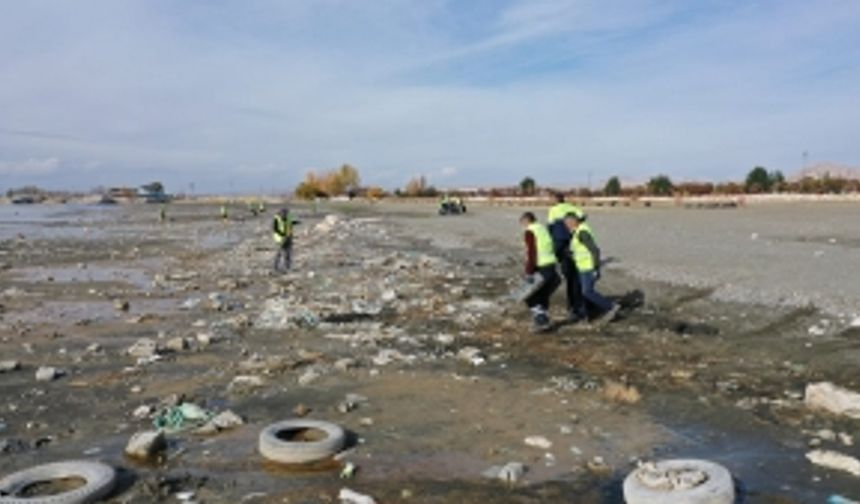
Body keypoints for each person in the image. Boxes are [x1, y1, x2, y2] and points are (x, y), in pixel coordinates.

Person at [564, 212, 620, 323]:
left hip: (588, 267)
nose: (566, 225)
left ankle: (610, 306)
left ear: (572, 221)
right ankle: (585, 315)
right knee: (583, 292)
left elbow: (595, 250)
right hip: (582, 267)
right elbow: (579, 250)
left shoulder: (582, 232)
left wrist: (595, 268)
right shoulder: (577, 232)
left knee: (587, 291)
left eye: (566, 223)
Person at [547, 193, 586, 321]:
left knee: (561, 271)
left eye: (552, 198)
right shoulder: (572, 207)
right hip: (571, 240)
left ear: (556, 199)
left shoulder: (553, 210)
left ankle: (573, 307)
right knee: (573, 275)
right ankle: (576, 306)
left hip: (559, 241)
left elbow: (550, 226)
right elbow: (583, 216)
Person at [520, 212, 561, 332]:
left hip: (540, 266)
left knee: (529, 295)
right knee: (542, 294)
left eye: (523, 223)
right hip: (551, 264)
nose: (523, 226)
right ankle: (544, 319)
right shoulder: (542, 228)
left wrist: (529, 271)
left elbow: (532, 252)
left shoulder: (530, 232)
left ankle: (541, 322)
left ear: (526, 221)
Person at [273, 208, 295, 273]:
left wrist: (289, 235)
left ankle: (287, 267)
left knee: (288, 253)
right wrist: (283, 235)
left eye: (286, 214)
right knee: (281, 252)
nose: (285, 216)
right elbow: (276, 229)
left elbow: (290, 226)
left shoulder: (289, 217)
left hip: (288, 238)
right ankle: (277, 267)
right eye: (284, 214)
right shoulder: (277, 219)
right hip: (280, 238)